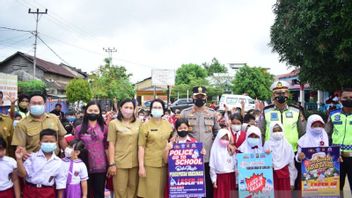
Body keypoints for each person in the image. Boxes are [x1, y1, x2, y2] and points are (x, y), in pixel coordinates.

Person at [259, 81, 306, 189]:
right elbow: (260, 132)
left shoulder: (296, 111)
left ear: (288, 95)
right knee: (273, 185)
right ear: (273, 95)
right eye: (278, 93)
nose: (281, 96)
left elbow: (303, 133)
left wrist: (303, 151)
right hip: (271, 154)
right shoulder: (266, 111)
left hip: (293, 153)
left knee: (295, 183)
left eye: (284, 93)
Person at [180, 86, 220, 198]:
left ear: (206, 98)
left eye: (202, 96)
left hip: (208, 156)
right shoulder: (185, 113)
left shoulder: (212, 114)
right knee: (191, 185)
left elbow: (217, 131)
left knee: (208, 184)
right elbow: (178, 132)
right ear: (193, 97)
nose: (199, 98)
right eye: (197, 96)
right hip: (190, 157)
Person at [15, 129, 66, 198]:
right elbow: (22, 174)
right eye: (45, 141)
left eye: (51, 141)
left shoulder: (59, 162)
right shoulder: (32, 157)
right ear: (39, 142)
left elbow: (61, 183)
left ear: (56, 143)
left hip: (48, 192)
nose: (48, 143)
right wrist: (19, 159)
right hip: (30, 190)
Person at [138, 99, 173, 198]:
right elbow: (141, 147)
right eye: (154, 107)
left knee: (163, 192)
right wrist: (141, 167)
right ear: (150, 109)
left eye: (159, 107)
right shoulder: (145, 126)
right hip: (150, 165)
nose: (157, 109)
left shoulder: (168, 125)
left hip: (165, 164)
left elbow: (174, 141)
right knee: (150, 193)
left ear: (163, 110)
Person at [107, 99, 142, 198]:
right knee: (120, 191)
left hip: (135, 163)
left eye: (131, 108)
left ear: (135, 110)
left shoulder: (139, 123)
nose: (128, 110)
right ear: (120, 108)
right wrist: (112, 163)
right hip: (119, 163)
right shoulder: (114, 123)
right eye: (126, 107)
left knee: (133, 190)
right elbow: (111, 144)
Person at [164, 118, 205, 198]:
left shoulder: (194, 142)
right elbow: (166, 161)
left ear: (188, 128)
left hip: (190, 181)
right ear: (176, 129)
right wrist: (166, 149)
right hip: (176, 181)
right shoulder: (172, 143)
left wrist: (202, 152)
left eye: (185, 128)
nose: (183, 130)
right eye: (180, 128)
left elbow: (199, 162)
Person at [75, 101, 108, 198]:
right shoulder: (79, 128)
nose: (93, 112)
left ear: (99, 113)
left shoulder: (104, 128)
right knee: (86, 193)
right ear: (86, 112)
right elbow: (75, 147)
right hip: (84, 165)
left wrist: (110, 164)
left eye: (95, 110)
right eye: (90, 110)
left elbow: (107, 146)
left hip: (101, 166)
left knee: (99, 193)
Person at [325, 88, 352, 193]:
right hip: (336, 157)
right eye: (345, 97)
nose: (348, 99)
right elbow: (326, 134)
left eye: (351, 97)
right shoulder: (333, 114)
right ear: (340, 99)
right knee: (335, 188)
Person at [264, 122, 297, 198]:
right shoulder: (267, 144)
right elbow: (263, 162)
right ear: (271, 132)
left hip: (284, 178)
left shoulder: (288, 146)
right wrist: (267, 156)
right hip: (271, 178)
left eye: (279, 130)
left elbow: (292, 166)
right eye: (274, 131)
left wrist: (292, 182)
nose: (277, 133)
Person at [210, 129, 236, 198]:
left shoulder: (231, 149)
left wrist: (232, 152)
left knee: (231, 195)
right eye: (223, 138)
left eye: (227, 138)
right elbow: (212, 167)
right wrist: (214, 180)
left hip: (231, 177)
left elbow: (235, 164)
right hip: (220, 179)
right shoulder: (214, 150)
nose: (225, 140)